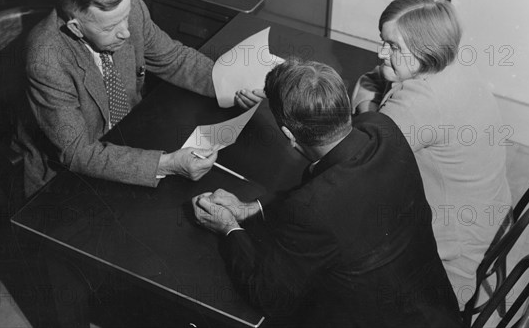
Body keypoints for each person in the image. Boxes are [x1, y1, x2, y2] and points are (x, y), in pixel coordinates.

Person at [192, 58, 462, 328]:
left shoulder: (311, 210)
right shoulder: (383, 129)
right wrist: (254, 207)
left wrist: (228, 227)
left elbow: (268, 295)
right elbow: (329, 196)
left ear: (289, 134)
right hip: (439, 311)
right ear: (343, 104)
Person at [352, 0, 512, 307]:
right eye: (382, 41)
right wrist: (369, 106)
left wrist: (364, 109)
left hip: (448, 264)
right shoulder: (445, 61)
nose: (381, 52)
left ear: (425, 48)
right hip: (484, 213)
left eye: (393, 46)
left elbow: (354, 160)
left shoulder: (424, 103)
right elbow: (370, 79)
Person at [18, 0, 224, 197]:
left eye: (125, 18)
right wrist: (166, 164)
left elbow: (173, 58)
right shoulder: (46, 59)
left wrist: (229, 84)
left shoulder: (131, 8)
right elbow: (77, 153)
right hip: (68, 174)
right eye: (110, 28)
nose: (125, 32)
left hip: (131, 134)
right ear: (76, 28)